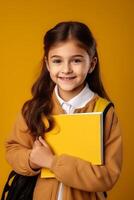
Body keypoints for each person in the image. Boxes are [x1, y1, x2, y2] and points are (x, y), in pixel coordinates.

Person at [5, 21, 122, 200]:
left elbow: (107, 176)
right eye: (57, 60)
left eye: (76, 60)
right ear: (47, 64)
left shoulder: (105, 113)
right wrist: (32, 159)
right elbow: (13, 149)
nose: (66, 69)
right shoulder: (34, 109)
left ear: (91, 64)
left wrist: (52, 162)